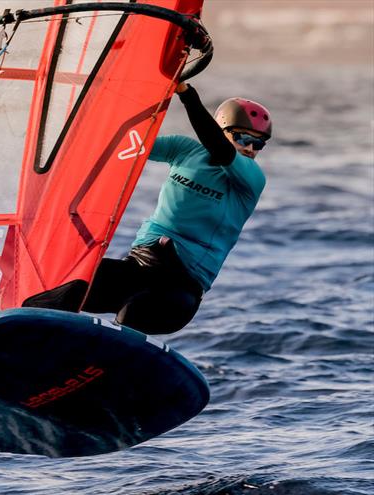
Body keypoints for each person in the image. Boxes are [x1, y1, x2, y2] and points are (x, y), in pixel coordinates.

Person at [79, 82, 272, 334]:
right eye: (242, 138)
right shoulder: (185, 150)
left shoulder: (251, 178)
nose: (250, 148)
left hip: (180, 289)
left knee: (132, 315)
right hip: (139, 266)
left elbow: (220, 149)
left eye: (258, 144)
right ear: (222, 130)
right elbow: (126, 140)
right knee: (69, 281)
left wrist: (186, 94)